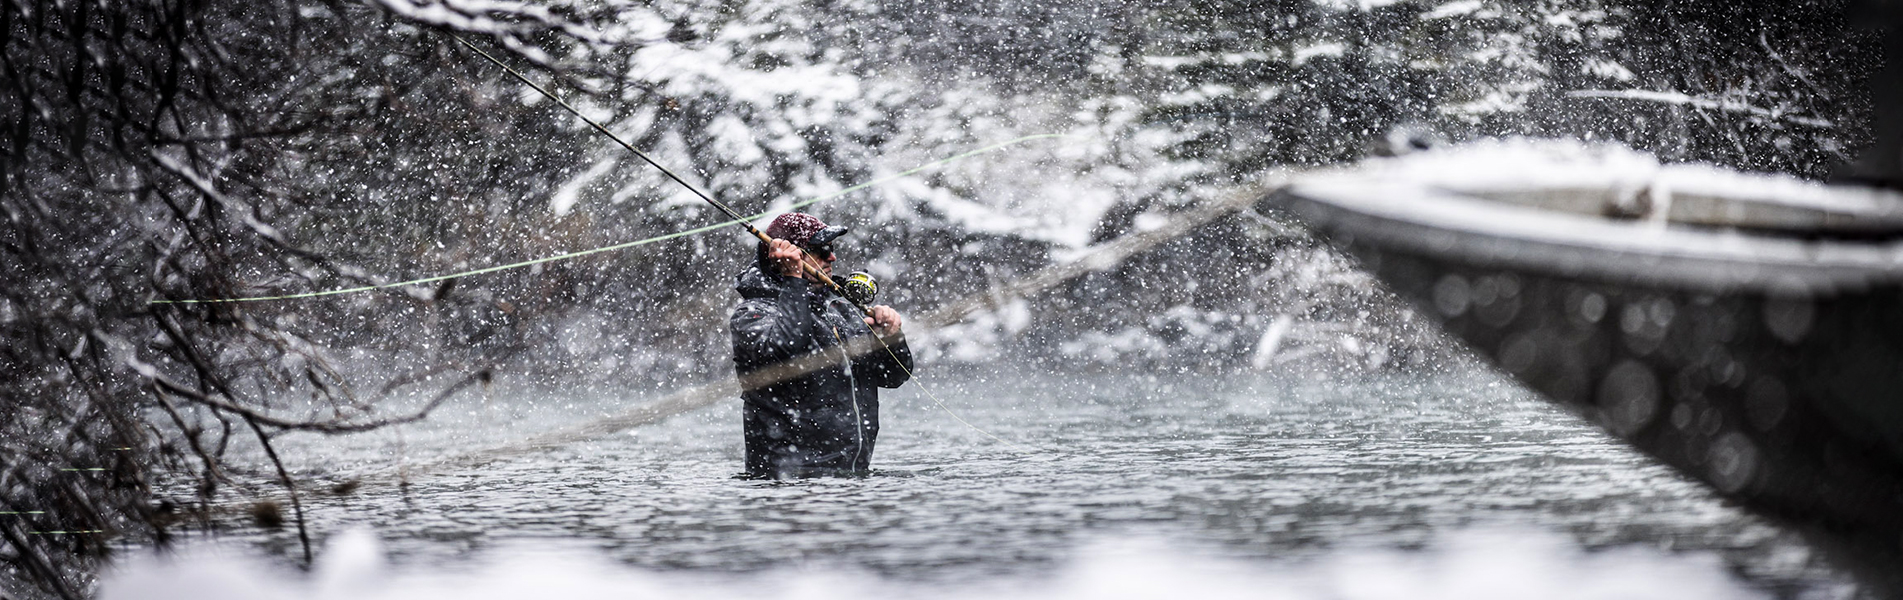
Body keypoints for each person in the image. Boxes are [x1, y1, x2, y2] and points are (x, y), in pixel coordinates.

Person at [730, 212, 913, 478]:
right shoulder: (752, 313)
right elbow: (786, 351)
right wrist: (794, 280)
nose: (832, 257)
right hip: (783, 485)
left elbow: (894, 376)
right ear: (784, 257)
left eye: (831, 249)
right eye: (820, 250)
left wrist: (890, 338)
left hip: (850, 478)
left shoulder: (841, 308)